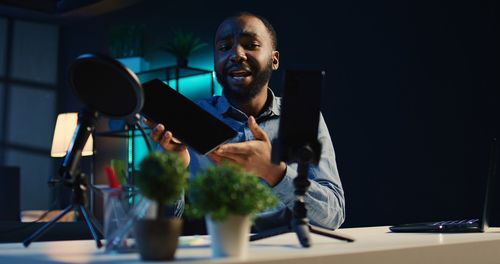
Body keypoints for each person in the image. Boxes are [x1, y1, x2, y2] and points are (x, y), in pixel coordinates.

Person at [145, 12, 345, 230]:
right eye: (224, 48)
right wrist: (173, 170)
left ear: (274, 59)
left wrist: (274, 171)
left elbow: (333, 214)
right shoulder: (184, 125)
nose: (236, 54)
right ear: (215, 62)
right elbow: (159, 226)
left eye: (251, 44)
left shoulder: (303, 116)